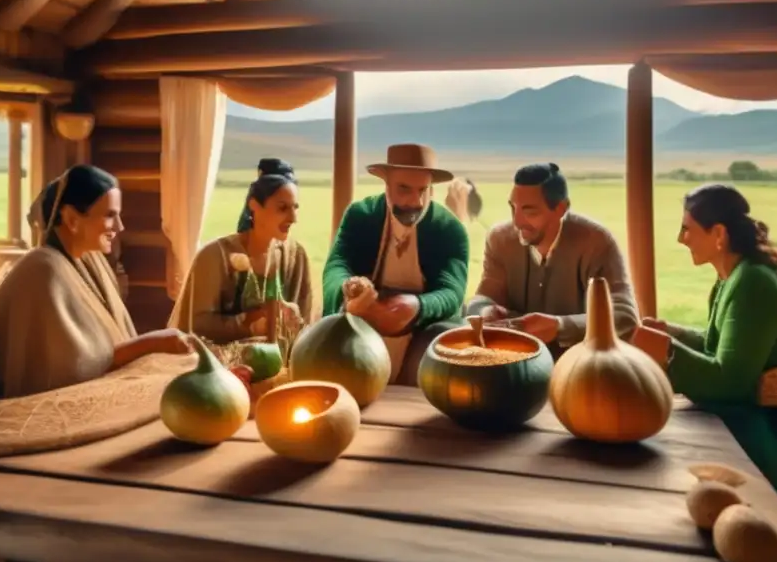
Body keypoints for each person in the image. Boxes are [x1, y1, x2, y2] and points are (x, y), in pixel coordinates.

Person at [630, 183, 777, 527]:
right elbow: (726, 344)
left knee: (676, 447)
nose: (681, 238)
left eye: (687, 228)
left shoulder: (754, 283)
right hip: (765, 410)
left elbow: (731, 380)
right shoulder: (733, 275)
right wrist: (671, 332)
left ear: (718, 233)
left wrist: (668, 351)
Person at [0, 165, 193, 400]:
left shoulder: (88, 260)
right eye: (110, 215)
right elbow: (73, 370)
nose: (120, 226)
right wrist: (153, 343)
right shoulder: (43, 271)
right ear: (72, 219)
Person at [323, 143, 469, 385]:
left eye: (424, 190)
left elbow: (452, 291)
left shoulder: (449, 229)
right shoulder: (361, 215)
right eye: (404, 189)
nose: (416, 201)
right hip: (363, 322)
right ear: (386, 185)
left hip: (421, 330)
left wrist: (418, 306)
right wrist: (348, 293)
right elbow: (337, 265)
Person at [467, 163, 638, 358]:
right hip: (514, 360)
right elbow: (481, 299)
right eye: (513, 208)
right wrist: (486, 311)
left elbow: (624, 317)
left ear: (561, 208)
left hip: (581, 364)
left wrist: (560, 326)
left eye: (530, 212)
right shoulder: (500, 240)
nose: (517, 222)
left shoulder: (596, 242)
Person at [169, 164, 316, 342]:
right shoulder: (215, 256)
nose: (293, 218)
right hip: (218, 363)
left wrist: (292, 318)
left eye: (295, 208)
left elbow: (307, 325)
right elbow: (193, 326)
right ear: (254, 206)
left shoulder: (296, 257)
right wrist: (249, 323)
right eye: (283, 208)